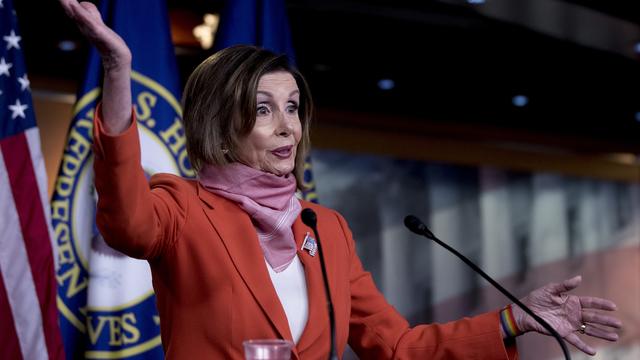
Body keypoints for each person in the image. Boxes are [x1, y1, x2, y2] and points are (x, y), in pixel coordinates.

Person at [59, 1, 622, 358]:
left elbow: (398, 346)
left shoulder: (324, 228)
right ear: (221, 127)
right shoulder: (183, 209)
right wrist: (117, 71)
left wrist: (511, 319)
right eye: (262, 110)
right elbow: (126, 220)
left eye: (294, 106)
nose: (288, 127)